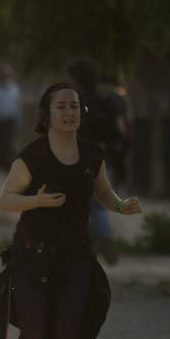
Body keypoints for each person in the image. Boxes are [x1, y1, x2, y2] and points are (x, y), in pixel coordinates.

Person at [0, 83, 141, 339]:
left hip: (76, 257)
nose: (69, 112)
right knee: (35, 337)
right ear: (46, 114)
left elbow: (103, 191)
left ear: (82, 113)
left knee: (68, 335)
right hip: (33, 258)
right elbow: (6, 200)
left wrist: (120, 206)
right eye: (61, 107)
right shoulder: (33, 156)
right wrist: (37, 202)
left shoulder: (90, 153)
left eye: (74, 106)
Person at [68, 58, 129, 263]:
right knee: (98, 206)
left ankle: (82, 248)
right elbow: (121, 131)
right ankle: (104, 237)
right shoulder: (110, 101)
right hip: (104, 160)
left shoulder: (75, 103)